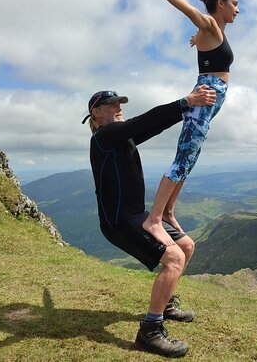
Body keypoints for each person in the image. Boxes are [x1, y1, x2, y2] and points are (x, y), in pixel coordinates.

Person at [82, 85, 216, 358]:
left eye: (120, 103)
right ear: (95, 113)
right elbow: (144, 121)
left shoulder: (119, 138)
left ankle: (164, 304)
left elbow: (152, 127)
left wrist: (187, 110)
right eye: (112, 104)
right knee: (174, 259)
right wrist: (185, 102)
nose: (119, 107)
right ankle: (150, 332)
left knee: (186, 246)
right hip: (119, 222)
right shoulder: (104, 137)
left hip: (138, 216)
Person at [142, 0, 239, 247]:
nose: (237, 9)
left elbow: (207, 45)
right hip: (202, 102)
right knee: (182, 158)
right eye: (234, 4)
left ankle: (169, 212)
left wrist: (199, 40)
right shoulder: (209, 23)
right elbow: (189, 12)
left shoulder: (211, 31)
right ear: (220, 4)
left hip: (208, 108)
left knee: (190, 160)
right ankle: (154, 219)